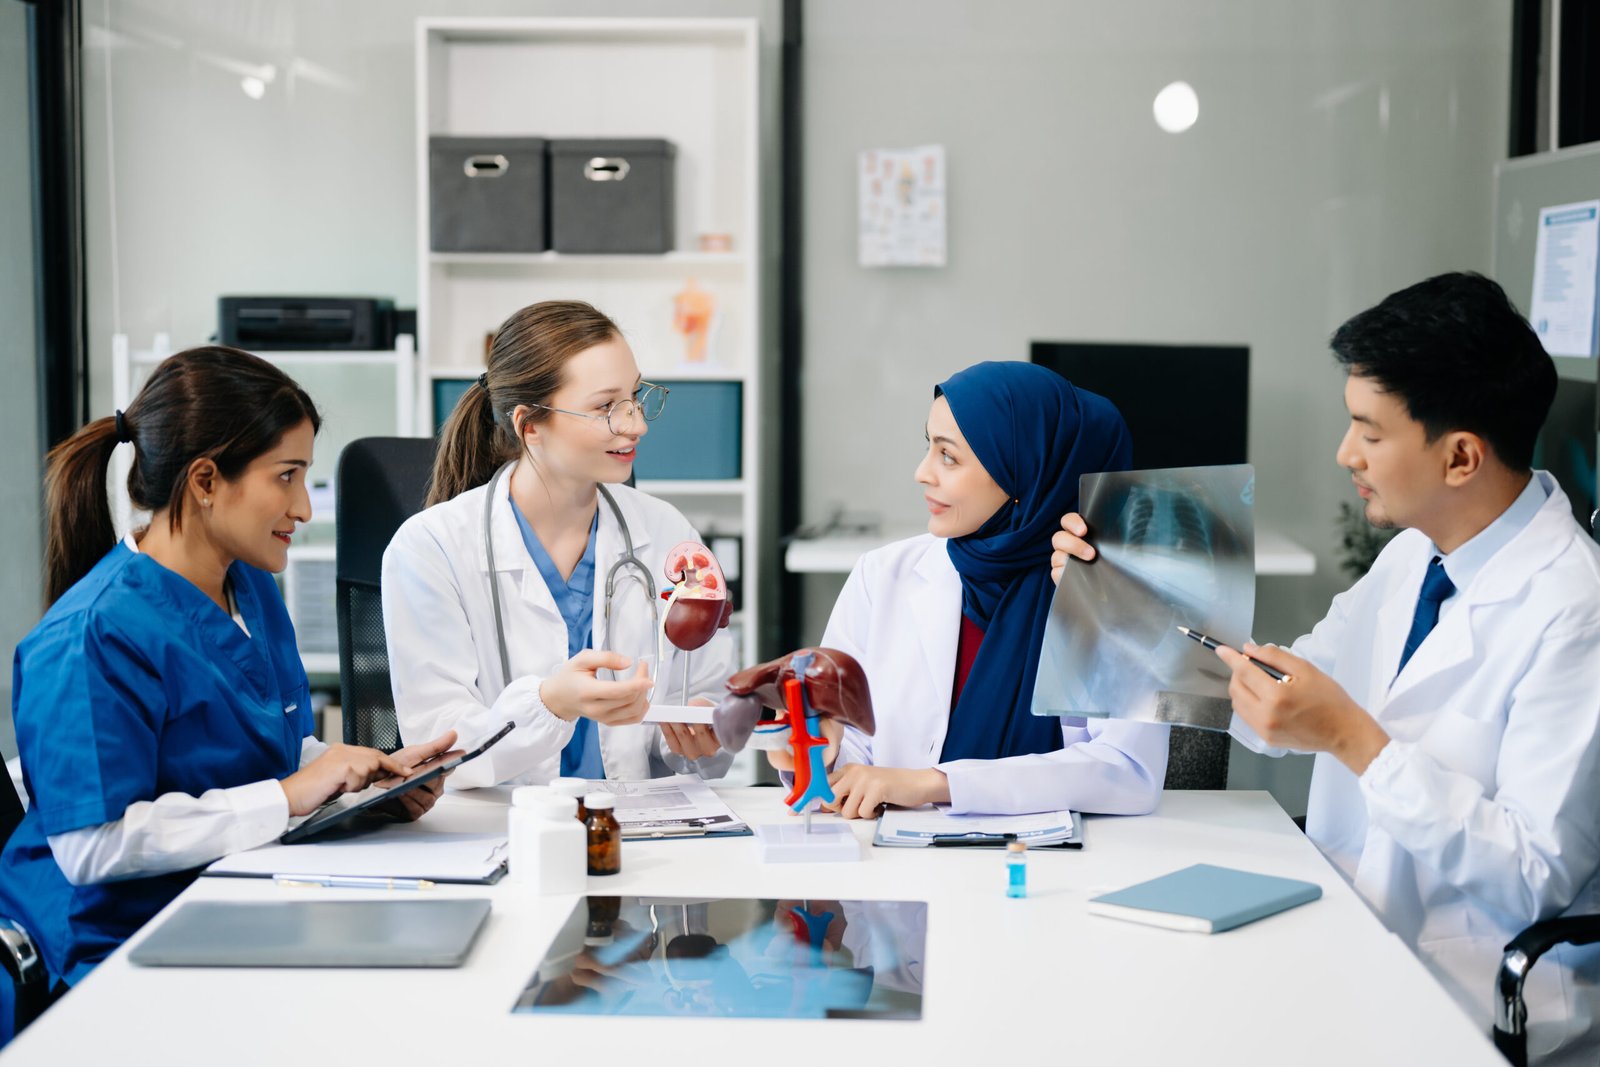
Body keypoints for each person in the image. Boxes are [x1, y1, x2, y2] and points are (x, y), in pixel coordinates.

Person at [1052, 273, 1600, 1064]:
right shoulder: (1416, 554)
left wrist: (1355, 740)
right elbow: (1275, 695)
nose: (1346, 454)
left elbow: (1531, 875)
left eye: (1368, 433)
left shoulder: (1576, 610)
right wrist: (1111, 591)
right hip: (1355, 938)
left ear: (1461, 457)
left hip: (1470, 999)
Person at [0, 347, 455, 1044]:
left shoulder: (249, 588)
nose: (304, 507)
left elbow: (265, 741)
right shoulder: (91, 635)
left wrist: (357, 776)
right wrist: (294, 792)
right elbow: (91, 847)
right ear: (206, 479)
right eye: (287, 477)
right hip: (124, 945)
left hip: (242, 897)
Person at [770, 360, 1168, 818]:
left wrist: (935, 785)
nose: (922, 472)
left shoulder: (1108, 588)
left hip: (1062, 871)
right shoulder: (882, 575)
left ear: (1023, 475)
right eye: (928, 447)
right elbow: (854, 738)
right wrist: (819, 750)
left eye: (949, 456)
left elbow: (1128, 770)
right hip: (904, 865)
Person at [383, 300, 735, 788]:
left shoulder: (667, 533)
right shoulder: (431, 548)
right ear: (530, 426)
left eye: (635, 397)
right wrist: (548, 704)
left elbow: (702, 697)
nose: (636, 424)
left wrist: (700, 726)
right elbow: (438, 744)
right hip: (501, 831)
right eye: (605, 407)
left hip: (635, 826)